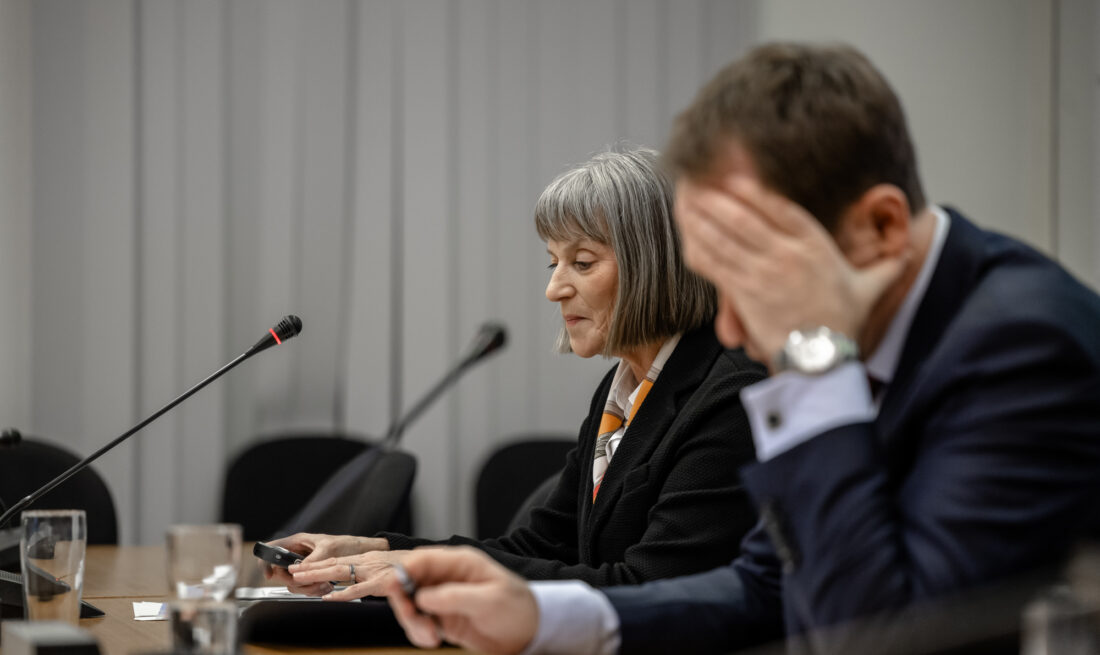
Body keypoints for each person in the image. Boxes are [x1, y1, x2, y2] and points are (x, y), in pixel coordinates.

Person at [382, 42, 1100, 654]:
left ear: (880, 228)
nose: (726, 330)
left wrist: (813, 361)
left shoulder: (1021, 348)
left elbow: (875, 637)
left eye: (749, 280)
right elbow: (766, 584)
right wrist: (546, 617)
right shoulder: (863, 332)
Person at [264, 147, 766, 600]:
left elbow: (651, 588)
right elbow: (540, 547)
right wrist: (375, 549)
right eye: (553, 263)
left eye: (582, 262)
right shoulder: (623, 390)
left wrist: (418, 568)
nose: (554, 289)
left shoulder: (729, 396)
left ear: (654, 264)